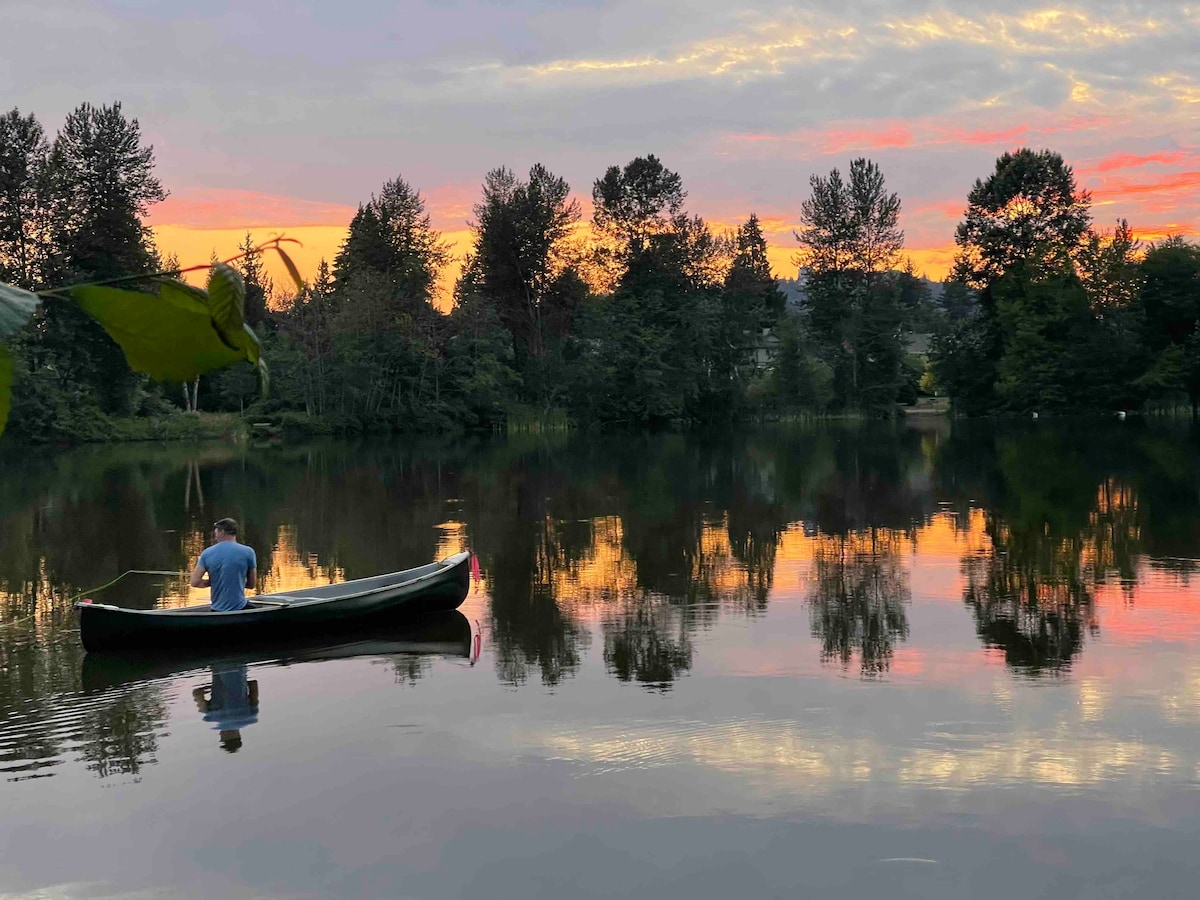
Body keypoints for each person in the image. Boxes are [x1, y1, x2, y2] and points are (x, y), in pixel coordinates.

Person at [190, 517, 257, 611]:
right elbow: (251, 584)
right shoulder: (248, 552)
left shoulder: (207, 553)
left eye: (216, 530)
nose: (215, 534)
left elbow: (194, 582)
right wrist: (236, 581)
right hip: (240, 607)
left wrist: (212, 581)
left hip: (216, 609)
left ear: (222, 532)